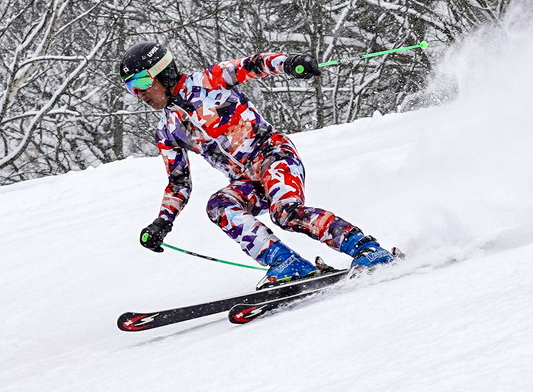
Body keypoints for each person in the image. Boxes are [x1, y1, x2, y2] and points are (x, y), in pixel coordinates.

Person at [119, 41, 395, 287]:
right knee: (219, 206)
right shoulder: (168, 129)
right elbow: (178, 182)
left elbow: (253, 64)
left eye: (142, 82)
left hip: (273, 155)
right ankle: (288, 264)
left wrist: (289, 63)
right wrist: (162, 223)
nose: (139, 93)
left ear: (164, 73)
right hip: (246, 180)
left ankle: (366, 249)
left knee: (286, 213)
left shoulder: (209, 81)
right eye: (132, 88)